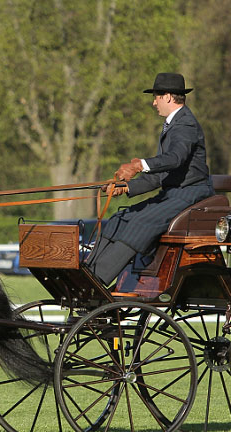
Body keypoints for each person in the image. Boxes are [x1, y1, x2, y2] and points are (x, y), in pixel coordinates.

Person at [85, 72, 214, 285]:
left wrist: (138, 165)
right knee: (120, 217)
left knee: (140, 222)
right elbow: (162, 175)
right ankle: (88, 272)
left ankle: (97, 281)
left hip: (191, 195)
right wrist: (125, 188)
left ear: (169, 97)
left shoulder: (185, 125)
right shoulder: (173, 125)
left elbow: (174, 159)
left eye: (156, 97)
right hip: (173, 193)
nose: (154, 102)